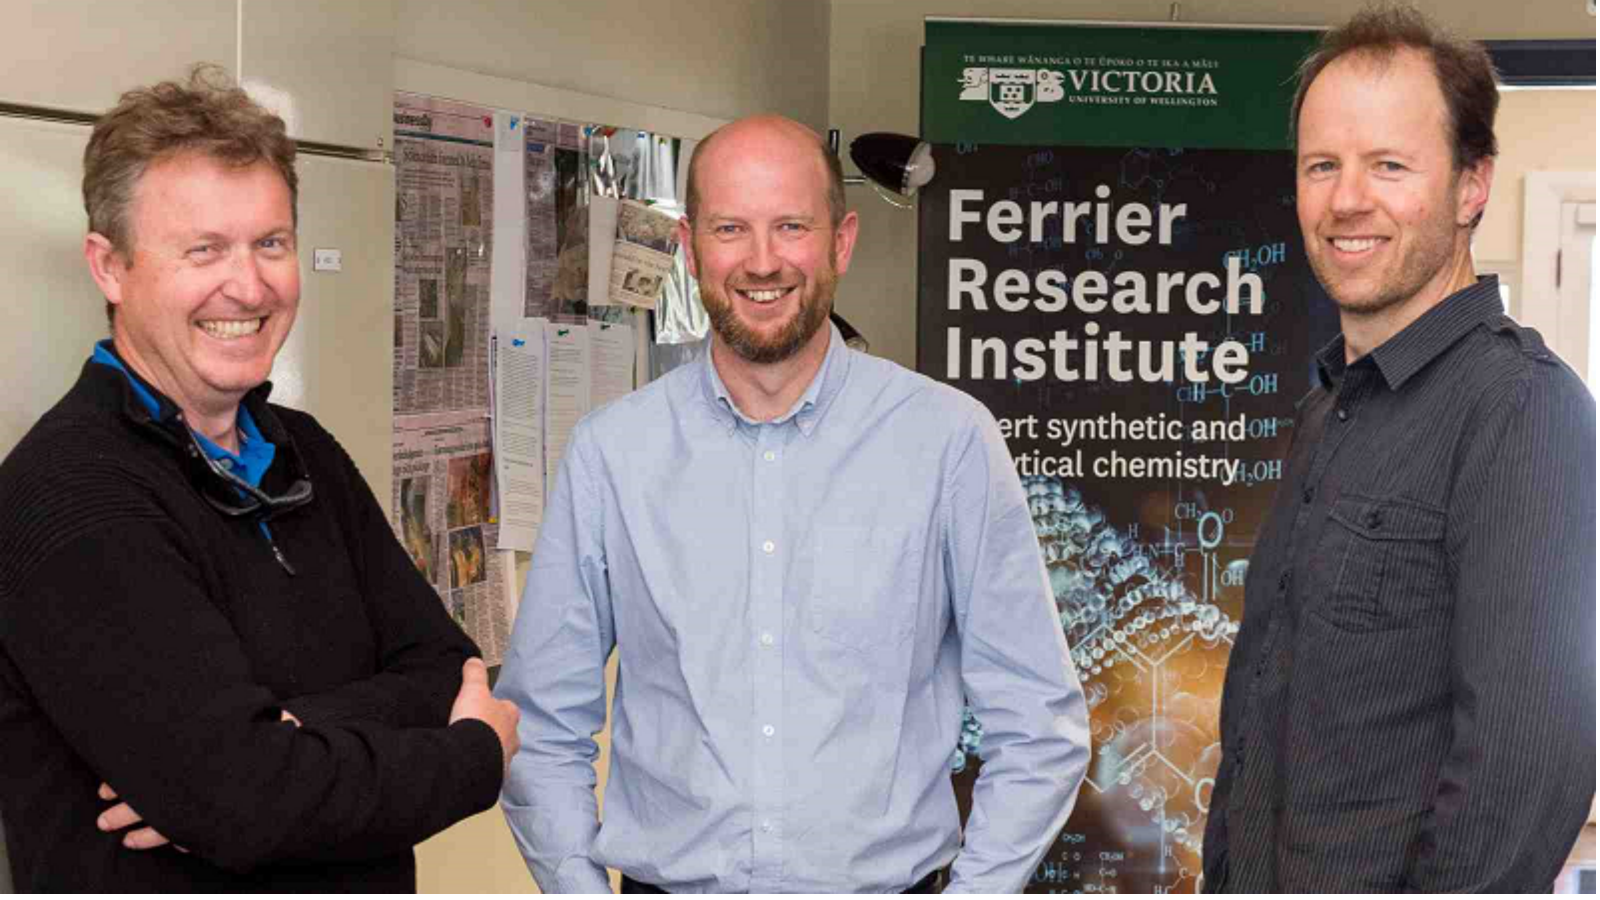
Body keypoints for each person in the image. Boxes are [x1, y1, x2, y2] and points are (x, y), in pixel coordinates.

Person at [496, 115, 1090, 894]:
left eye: (792, 227)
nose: (762, 261)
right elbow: (541, 724)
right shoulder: (613, 455)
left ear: (841, 243)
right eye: (731, 229)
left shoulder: (947, 443)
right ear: (690, 247)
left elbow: (1037, 724)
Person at [0, 66, 519, 892]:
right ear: (109, 266)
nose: (248, 285)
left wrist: (294, 732)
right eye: (203, 249)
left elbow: (445, 670)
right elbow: (247, 799)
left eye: (270, 243)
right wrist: (473, 753)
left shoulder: (301, 450)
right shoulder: (70, 495)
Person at [1202, 4, 1596, 892]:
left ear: (1471, 186)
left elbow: (1524, 774)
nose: (1347, 199)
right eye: (1322, 166)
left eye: (1388, 165)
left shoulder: (1523, 412)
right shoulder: (1328, 412)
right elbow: (1262, 736)